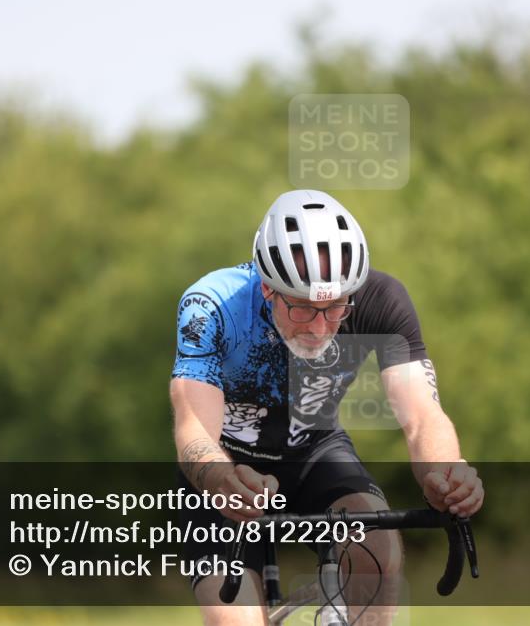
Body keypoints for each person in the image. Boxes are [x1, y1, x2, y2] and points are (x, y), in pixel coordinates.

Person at [171, 189, 484, 625]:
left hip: (314, 449)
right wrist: (220, 476)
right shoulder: (212, 305)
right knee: (233, 620)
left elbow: (421, 415)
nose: (320, 328)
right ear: (267, 289)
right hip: (228, 465)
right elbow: (194, 430)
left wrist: (445, 473)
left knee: (378, 545)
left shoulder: (382, 299)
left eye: (335, 308)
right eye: (301, 309)